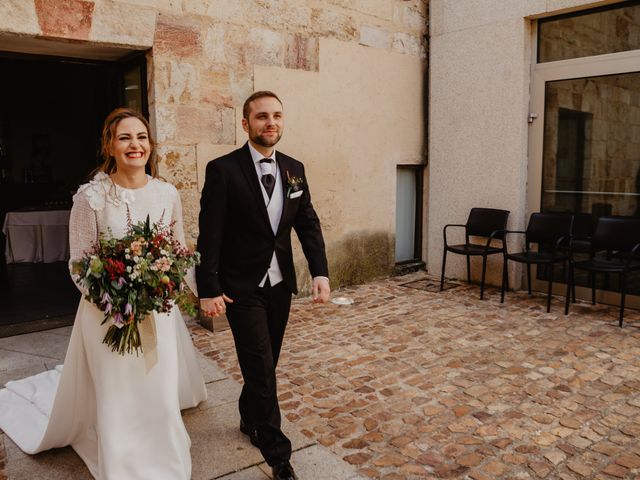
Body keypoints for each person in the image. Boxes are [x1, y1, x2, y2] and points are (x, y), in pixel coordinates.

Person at [0, 108, 207, 479]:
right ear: (109, 146)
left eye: (141, 137)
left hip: (157, 313)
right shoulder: (91, 197)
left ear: (151, 145)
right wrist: (116, 299)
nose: (135, 145)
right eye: (125, 138)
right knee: (118, 390)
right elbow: (78, 263)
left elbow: (178, 250)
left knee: (158, 385)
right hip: (106, 313)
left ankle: (163, 448)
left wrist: (166, 288)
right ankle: (122, 458)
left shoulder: (167, 193)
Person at [196, 91, 330, 480]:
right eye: (261, 117)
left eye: (276, 116)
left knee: (265, 361)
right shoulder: (223, 170)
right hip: (241, 287)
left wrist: (319, 272)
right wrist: (209, 287)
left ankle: (247, 415)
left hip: (280, 283)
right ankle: (277, 454)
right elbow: (211, 235)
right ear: (245, 124)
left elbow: (308, 223)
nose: (270, 123)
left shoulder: (294, 168)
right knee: (261, 367)